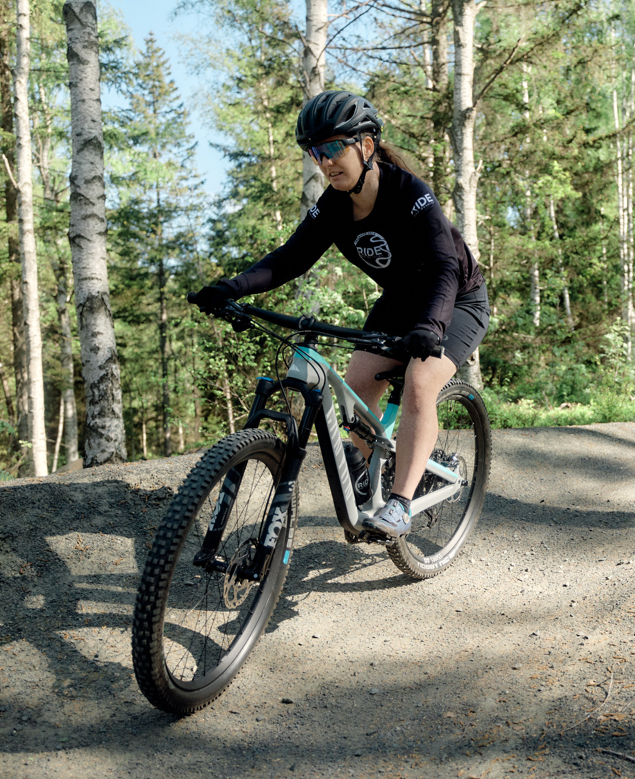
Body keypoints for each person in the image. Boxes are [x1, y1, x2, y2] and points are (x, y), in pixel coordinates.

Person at [192, 90, 490, 539]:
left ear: (365, 146)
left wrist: (430, 327)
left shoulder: (410, 194)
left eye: (334, 148)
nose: (325, 161)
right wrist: (230, 288)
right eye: (316, 152)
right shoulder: (333, 206)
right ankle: (382, 466)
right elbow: (289, 259)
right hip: (400, 302)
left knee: (418, 384)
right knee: (356, 393)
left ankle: (402, 502)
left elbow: (446, 267)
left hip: (456, 301)